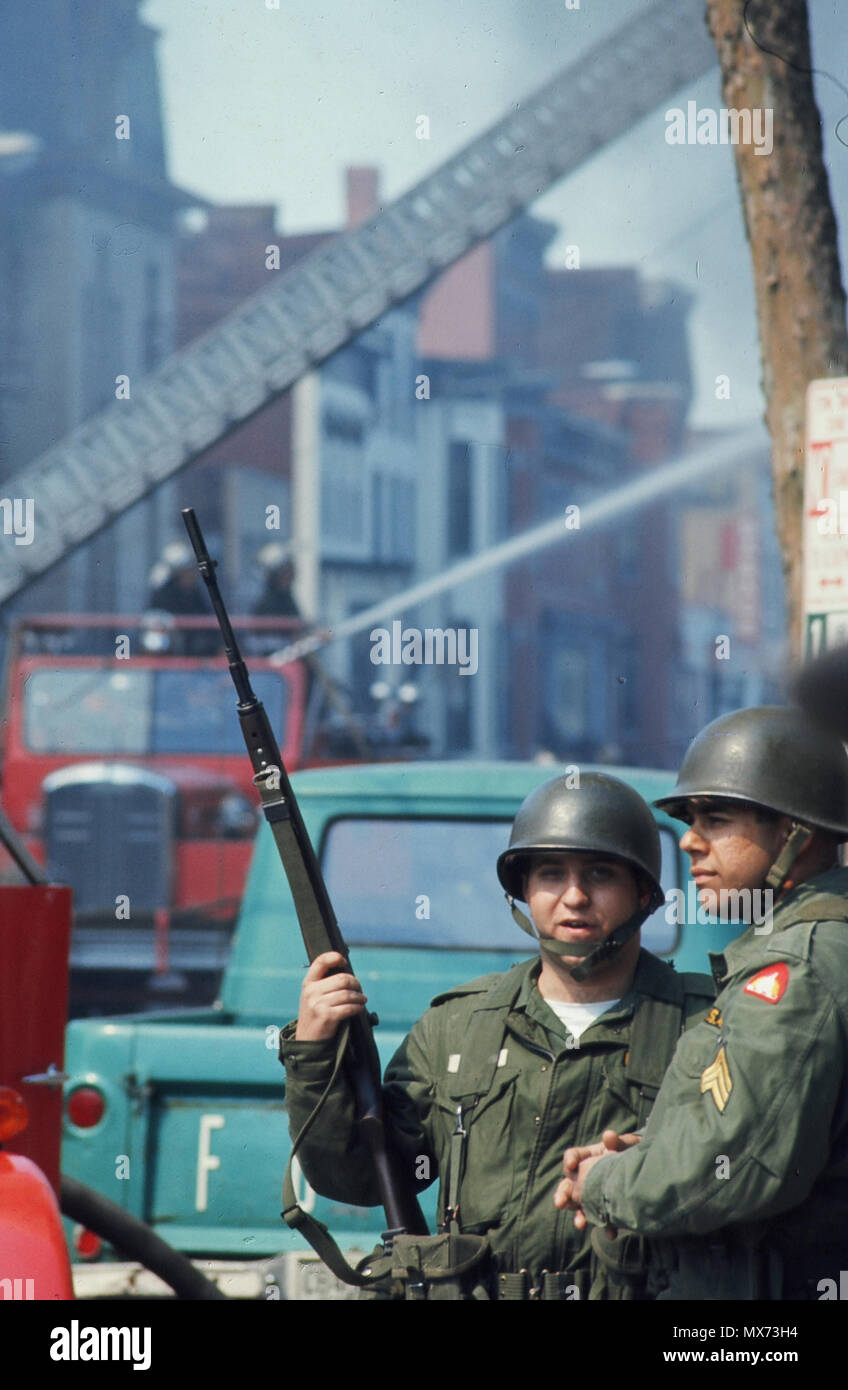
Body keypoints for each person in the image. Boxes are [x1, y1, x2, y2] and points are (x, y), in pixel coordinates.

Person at [279, 771, 714, 1300]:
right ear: (524, 892)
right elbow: (359, 1177)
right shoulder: (459, 1026)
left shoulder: (705, 1024)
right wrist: (315, 1051)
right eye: (551, 874)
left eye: (599, 874)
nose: (574, 897)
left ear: (644, 893)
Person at [555, 705, 848, 1300]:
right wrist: (655, 1154)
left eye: (715, 819)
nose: (689, 841)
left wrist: (604, 1181)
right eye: (690, 819)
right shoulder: (800, 947)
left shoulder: (798, 968)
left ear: (796, 835)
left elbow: (736, 1164)